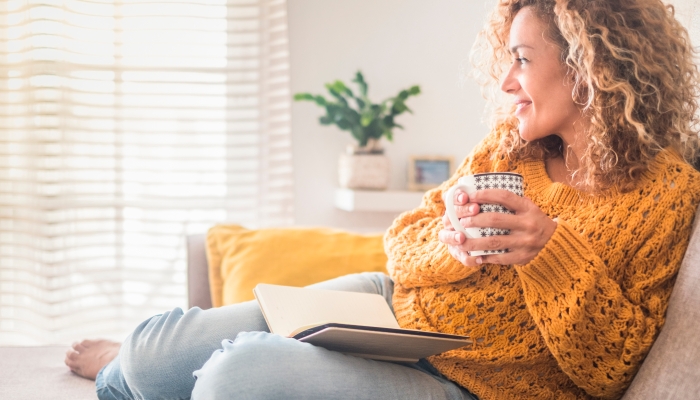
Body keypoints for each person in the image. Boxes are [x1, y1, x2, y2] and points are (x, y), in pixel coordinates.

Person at [65, 0, 700, 399]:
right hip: (390, 310)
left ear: (589, 68)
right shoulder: (514, 146)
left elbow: (613, 369)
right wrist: (452, 242)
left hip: (474, 383)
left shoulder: (666, 194)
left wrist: (549, 251)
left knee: (236, 377)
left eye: (523, 60)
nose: (507, 82)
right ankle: (132, 370)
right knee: (154, 348)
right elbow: (402, 244)